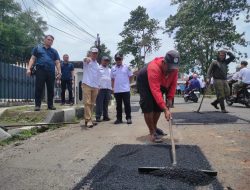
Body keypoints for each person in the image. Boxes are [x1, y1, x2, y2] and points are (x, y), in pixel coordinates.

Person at [137, 50, 179, 143]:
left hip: (161, 82)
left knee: (158, 107)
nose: (171, 71)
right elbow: (155, 91)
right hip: (145, 82)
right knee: (148, 106)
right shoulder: (154, 68)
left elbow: (173, 85)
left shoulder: (174, 69)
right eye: (169, 68)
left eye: (173, 69)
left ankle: (154, 127)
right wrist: (165, 109)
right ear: (164, 63)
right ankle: (152, 132)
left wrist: (170, 98)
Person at [27, 35, 61, 111]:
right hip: (40, 70)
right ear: (44, 40)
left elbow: (57, 62)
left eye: (52, 40)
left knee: (51, 89)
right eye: (49, 39)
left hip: (51, 71)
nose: (50, 41)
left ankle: (50, 105)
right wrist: (28, 68)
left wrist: (59, 72)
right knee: (39, 88)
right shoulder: (38, 48)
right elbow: (32, 59)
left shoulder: (54, 51)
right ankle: (37, 105)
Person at [111, 53, 133, 125]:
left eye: (119, 59)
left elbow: (131, 76)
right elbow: (112, 79)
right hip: (117, 90)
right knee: (118, 105)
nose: (118, 60)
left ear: (122, 59)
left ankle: (128, 118)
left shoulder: (127, 67)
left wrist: (127, 84)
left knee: (127, 104)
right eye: (117, 59)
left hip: (125, 90)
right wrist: (113, 88)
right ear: (115, 60)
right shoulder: (113, 68)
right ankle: (119, 119)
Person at [82, 47, 100, 128]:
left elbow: (98, 76)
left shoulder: (97, 64)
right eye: (93, 53)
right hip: (87, 84)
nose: (94, 54)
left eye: (96, 53)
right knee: (87, 102)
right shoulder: (87, 61)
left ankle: (89, 119)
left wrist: (99, 86)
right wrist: (86, 59)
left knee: (92, 104)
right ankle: (88, 120)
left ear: (97, 54)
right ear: (90, 53)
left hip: (95, 85)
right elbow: (84, 59)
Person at [95, 56, 112, 122]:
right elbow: (95, 78)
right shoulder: (98, 68)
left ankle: (105, 116)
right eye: (105, 60)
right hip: (100, 88)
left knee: (106, 103)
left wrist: (111, 89)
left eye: (107, 61)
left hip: (108, 88)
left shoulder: (109, 70)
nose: (106, 62)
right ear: (101, 61)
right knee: (99, 103)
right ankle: (98, 116)